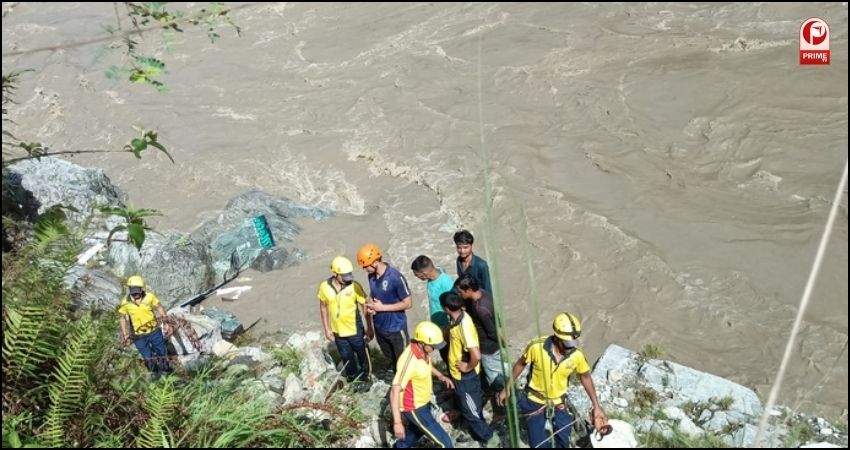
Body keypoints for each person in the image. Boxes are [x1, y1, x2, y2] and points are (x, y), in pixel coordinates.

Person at [497, 312, 608, 448]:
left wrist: (596, 406)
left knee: (563, 438)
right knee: (538, 444)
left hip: (559, 402)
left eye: (573, 343)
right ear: (557, 338)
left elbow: (585, 377)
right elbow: (520, 364)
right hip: (535, 401)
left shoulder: (577, 355)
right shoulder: (536, 347)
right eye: (567, 344)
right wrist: (507, 388)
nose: (570, 348)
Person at [441, 292, 498, 447]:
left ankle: (487, 437)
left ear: (446, 309)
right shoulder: (459, 317)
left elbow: (476, 355)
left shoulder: (464, 327)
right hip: (460, 375)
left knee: (470, 411)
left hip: (465, 377)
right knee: (471, 404)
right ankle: (477, 429)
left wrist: (467, 367)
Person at [390, 321, 455, 448]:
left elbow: (427, 365)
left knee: (417, 431)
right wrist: (397, 422)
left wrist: (440, 375)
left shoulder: (422, 352)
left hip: (423, 401)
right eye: (433, 346)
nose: (435, 349)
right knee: (445, 444)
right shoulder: (408, 362)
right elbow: (394, 391)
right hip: (414, 407)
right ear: (422, 343)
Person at [317, 256, 373, 389]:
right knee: (347, 357)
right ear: (335, 274)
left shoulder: (355, 286)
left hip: (355, 329)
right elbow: (323, 307)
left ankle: (366, 377)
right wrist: (327, 329)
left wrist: (370, 328)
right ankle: (353, 379)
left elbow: (365, 305)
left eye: (349, 274)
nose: (348, 278)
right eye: (344, 276)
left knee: (362, 355)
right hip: (338, 332)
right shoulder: (324, 287)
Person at [358, 243, 412, 370]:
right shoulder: (371, 276)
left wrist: (382, 308)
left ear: (374, 262)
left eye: (366, 266)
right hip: (380, 327)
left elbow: (408, 303)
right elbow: (373, 294)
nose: (364, 269)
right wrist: (371, 307)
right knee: (389, 356)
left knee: (403, 360)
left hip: (396, 328)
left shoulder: (395, 278)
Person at [454, 274, 504, 394]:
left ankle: (502, 400)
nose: (459, 295)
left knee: (495, 379)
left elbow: (492, 333)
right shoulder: (483, 293)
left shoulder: (480, 309)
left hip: (489, 350)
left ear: (469, 290)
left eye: (461, 292)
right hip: (492, 347)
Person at [118, 276, 172, 378]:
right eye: (133, 291)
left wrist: (166, 323)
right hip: (138, 336)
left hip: (154, 331)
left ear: (142, 289)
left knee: (161, 352)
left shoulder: (150, 297)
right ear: (129, 289)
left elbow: (159, 307)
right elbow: (122, 318)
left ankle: (166, 372)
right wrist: (125, 335)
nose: (136, 294)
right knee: (147, 357)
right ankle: (155, 374)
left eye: (137, 291)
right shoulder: (125, 302)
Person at [453, 230, 492, 294]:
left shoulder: (482, 265)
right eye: (459, 248)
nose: (462, 251)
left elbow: (488, 289)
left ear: (471, 245)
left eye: (465, 247)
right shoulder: (459, 261)